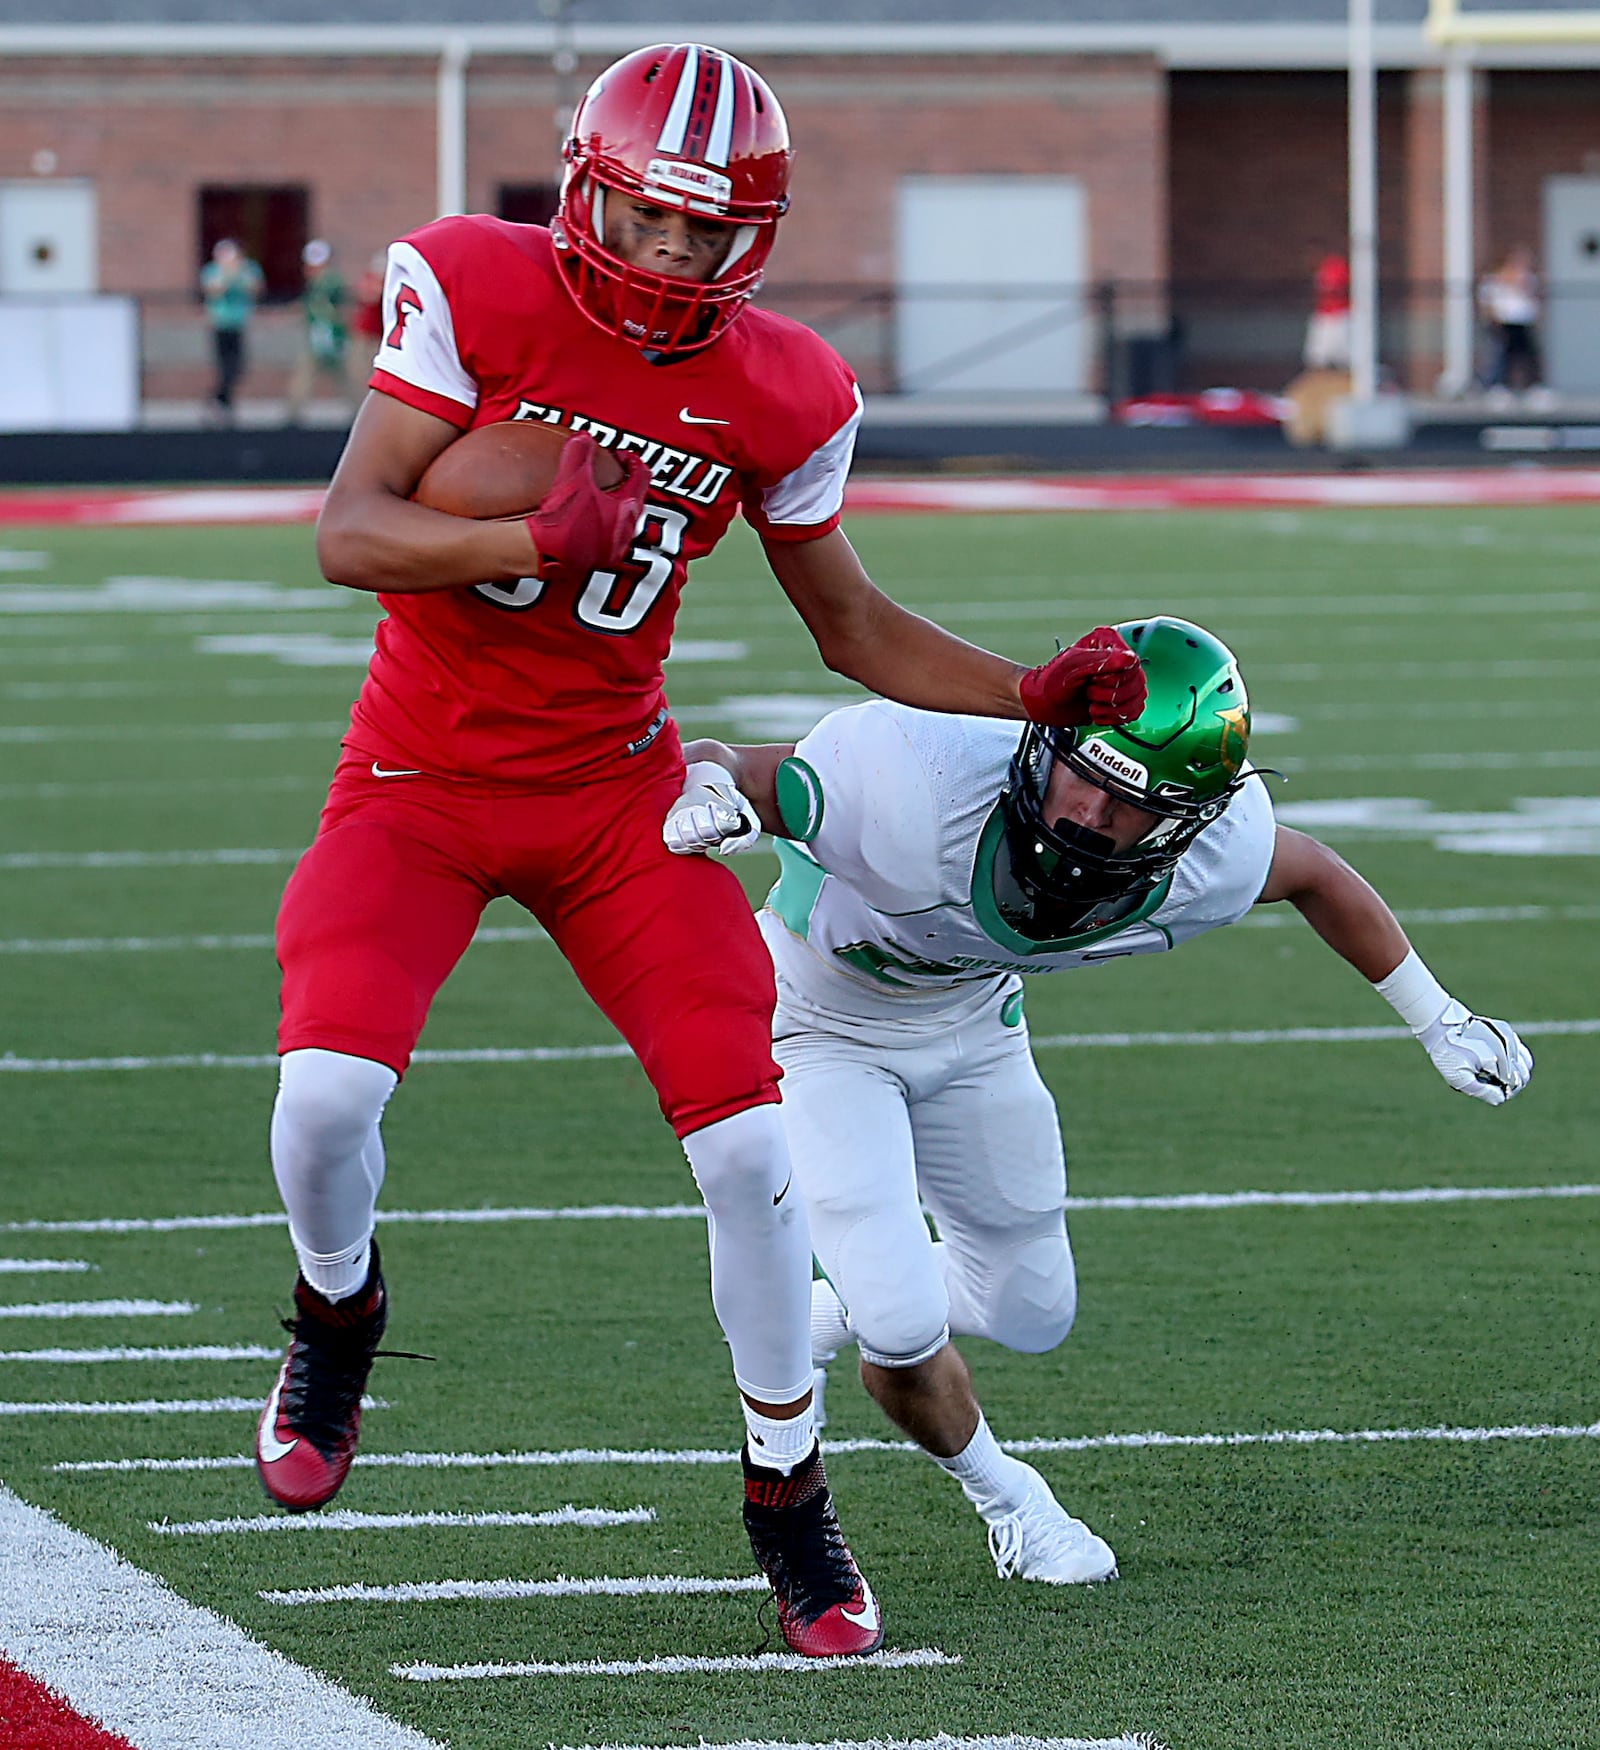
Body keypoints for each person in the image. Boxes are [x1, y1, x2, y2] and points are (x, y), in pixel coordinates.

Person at [253, 40, 1147, 1661]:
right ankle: (336, 1308)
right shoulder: (471, 281)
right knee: (324, 1100)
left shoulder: (785, 386)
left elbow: (850, 622)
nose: (670, 258)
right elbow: (349, 533)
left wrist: (1028, 693)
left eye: (705, 232)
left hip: (617, 789)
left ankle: (788, 1494)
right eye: (649, 222)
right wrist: (534, 534)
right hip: (420, 773)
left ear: (756, 235)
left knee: (748, 1152)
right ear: (587, 193)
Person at [661, 615, 1534, 1585]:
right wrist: (710, 796)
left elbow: (1313, 872)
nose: (1086, 814)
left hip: (973, 1026)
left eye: (1133, 805)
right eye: (1084, 773)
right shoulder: (919, 775)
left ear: (1191, 819)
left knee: (1032, 1310)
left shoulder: (1209, 862)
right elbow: (724, 765)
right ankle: (1012, 1499)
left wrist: (1438, 1018)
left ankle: (832, 1308)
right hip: (821, 1028)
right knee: (904, 1327)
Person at [284, 239, 352, 425]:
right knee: (312, 372)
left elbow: (331, 310)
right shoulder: (317, 284)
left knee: (345, 374)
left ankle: (359, 409)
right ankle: (294, 411)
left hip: (329, 335)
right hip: (319, 335)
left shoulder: (329, 282)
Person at [198, 238, 264, 422]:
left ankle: (219, 401)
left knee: (238, 367)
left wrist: (239, 274)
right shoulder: (212, 271)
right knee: (224, 367)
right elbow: (212, 290)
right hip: (219, 324)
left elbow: (255, 288)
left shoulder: (247, 269)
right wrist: (227, 275)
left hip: (238, 324)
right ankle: (223, 404)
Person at [1478, 246, 1544, 399]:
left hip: (1523, 323)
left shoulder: (1529, 280)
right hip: (1504, 323)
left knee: (1528, 355)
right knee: (1501, 356)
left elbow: (1534, 302)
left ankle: (1533, 387)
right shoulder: (1495, 280)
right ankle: (1497, 386)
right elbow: (1488, 303)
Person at [1303, 251, 1351, 372]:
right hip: (1326, 380)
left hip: (1344, 320)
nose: (1329, 296)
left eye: (1334, 292)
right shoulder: (1318, 319)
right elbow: (1315, 364)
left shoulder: (1352, 320)